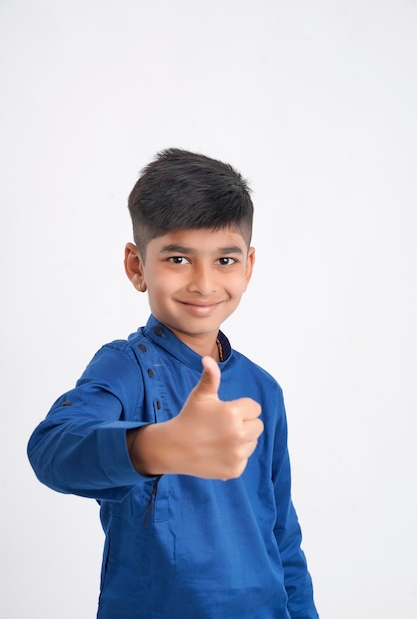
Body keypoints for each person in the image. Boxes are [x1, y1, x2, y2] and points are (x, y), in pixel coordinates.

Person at [27, 148, 319, 619]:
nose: (204, 283)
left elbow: (282, 534)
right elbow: (52, 448)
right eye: (179, 258)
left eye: (225, 259)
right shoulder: (124, 368)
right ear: (137, 266)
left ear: (248, 266)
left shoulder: (264, 390)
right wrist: (157, 447)